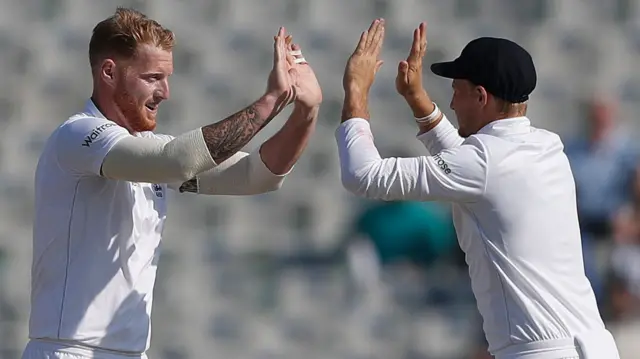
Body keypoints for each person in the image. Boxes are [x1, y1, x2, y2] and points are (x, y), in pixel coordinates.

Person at [23, 7, 322, 359]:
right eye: (152, 77)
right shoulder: (77, 135)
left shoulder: (147, 150)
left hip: (131, 353)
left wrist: (306, 112)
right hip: (68, 351)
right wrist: (270, 101)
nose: (165, 92)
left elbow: (257, 176)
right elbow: (177, 161)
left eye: (167, 78)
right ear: (109, 72)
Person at [336, 18, 620, 359]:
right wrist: (417, 100)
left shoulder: (485, 163)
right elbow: (472, 165)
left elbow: (362, 175)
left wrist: (356, 88)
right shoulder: (547, 147)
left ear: (481, 96)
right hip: (594, 345)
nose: (452, 104)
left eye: (456, 91)